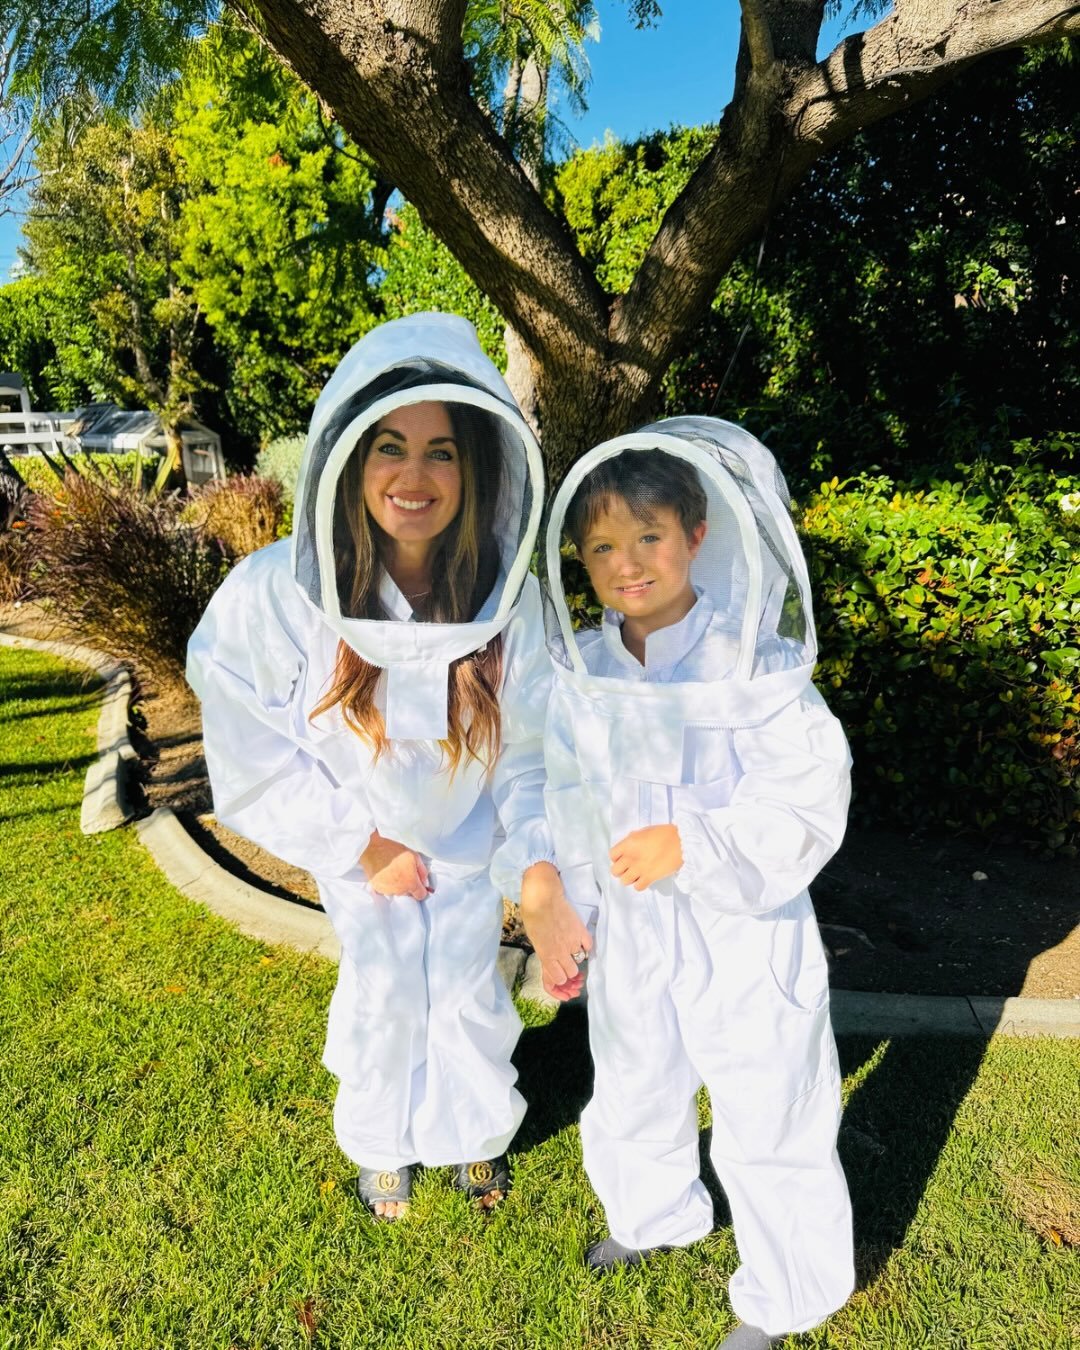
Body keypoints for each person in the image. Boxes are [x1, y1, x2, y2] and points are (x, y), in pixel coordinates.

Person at [186, 312, 586, 1220]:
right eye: (390, 447)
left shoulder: (506, 602)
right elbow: (249, 750)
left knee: (468, 988)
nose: (414, 477)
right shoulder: (278, 596)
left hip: (466, 845)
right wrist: (362, 848)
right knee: (383, 990)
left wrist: (532, 865)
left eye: (442, 452)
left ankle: (473, 1134)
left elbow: (532, 750)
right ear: (348, 459)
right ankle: (381, 1143)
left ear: (475, 468)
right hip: (360, 849)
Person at [527, 419, 854, 1349]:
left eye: (649, 537)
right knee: (633, 1078)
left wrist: (697, 843)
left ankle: (787, 1295)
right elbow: (568, 794)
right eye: (601, 547)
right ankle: (652, 1212)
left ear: (696, 537)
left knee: (768, 1103)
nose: (627, 563)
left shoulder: (749, 659)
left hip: (742, 931)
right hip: (633, 929)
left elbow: (806, 802)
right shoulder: (587, 670)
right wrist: (571, 911)